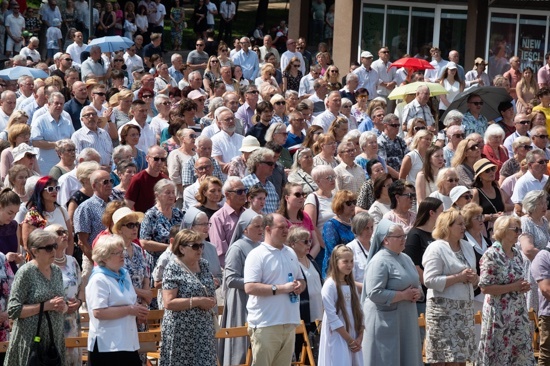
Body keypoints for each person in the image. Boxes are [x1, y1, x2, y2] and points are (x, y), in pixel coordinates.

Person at [243, 213, 306, 366]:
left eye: (287, 227)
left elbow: (301, 280)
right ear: (268, 229)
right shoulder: (257, 255)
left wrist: (299, 286)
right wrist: (282, 288)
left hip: (289, 322)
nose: (286, 230)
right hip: (266, 324)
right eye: (281, 227)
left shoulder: (290, 252)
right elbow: (249, 287)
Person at [362, 218, 423, 365]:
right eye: (399, 237)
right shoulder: (379, 261)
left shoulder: (406, 258)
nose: (403, 240)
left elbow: (417, 283)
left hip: (406, 320)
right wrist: (403, 295)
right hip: (386, 322)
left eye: (404, 236)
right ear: (385, 240)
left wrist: (418, 293)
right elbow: (374, 293)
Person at [422, 209, 478, 365]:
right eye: (459, 224)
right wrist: (458, 277)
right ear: (447, 226)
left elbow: (474, 277)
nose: (464, 227)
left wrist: (474, 278)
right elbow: (430, 280)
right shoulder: (436, 248)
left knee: (461, 359)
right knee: (445, 359)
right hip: (443, 312)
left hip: (464, 310)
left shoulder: (467, 246)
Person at [477, 216, 535, 365]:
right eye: (515, 229)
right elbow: (484, 287)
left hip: (517, 314)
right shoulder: (491, 254)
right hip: (499, 315)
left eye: (520, 230)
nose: (518, 233)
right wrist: (513, 287)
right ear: (502, 230)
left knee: (520, 356)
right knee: (499, 356)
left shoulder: (517, 254)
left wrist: (523, 286)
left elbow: (517, 280)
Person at [5, 229, 67, 365]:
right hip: (30, 343)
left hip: (53, 341)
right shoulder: (25, 272)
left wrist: (64, 306)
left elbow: (62, 301)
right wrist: (45, 306)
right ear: (35, 251)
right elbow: (13, 310)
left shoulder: (56, 271)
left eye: (54, 246)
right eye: (48, 248)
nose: (53, 251)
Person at [86, 234, 148, 365]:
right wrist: (130, 310)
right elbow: (99, 312)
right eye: (117, 253)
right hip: (108, 346)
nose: (122, 256)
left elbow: (130, 300)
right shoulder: (99, 279)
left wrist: (138, 312)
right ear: (105, 256)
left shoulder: (124, 274)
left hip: (127, 342)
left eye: (123, 251)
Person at [159, 228, 217, 365]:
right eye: (194, 246)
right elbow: (168, 302)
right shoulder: (173, 267)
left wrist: (211, 299)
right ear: (182, 248)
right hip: (181, 331)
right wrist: (198, 301)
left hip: (203, 329)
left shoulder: (204, 264)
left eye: (201, 245)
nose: (199, 249)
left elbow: (208, 289)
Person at [219, 209, 263, 365]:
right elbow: (231, 279)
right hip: (241, 300)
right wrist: (257, 285)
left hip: (259, 301)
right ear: (245, 228)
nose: (261, 229)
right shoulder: (237, 248)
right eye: (256, 226)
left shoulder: (262, 246)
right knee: (241, 344)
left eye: (262, 226)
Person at [318, 244, 364, 366]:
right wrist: (349, 340)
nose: (349, 265)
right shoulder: (330, 285)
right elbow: (332, 316)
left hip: (353, 332)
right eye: (345, 261)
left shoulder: (351, 284)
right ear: (335, 262)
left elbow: (359, 309)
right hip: (339, 335)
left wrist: (360, 336)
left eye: (351, 261)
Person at [44, 224, 83, 365]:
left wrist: (79, 302)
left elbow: (81, 287)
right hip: (54, 319)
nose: (65, 235)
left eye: (65, 232)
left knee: (73, 359)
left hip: (72, 318)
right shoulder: (44, 264)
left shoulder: (72, 261)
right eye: (59, 233)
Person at [140, 179, 183, 294]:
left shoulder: (178, 213)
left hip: (178, 263)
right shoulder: (150, 215)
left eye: (173, 192)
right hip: (157, 263)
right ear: (157, 195)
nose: (171, 195)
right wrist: (169, 248)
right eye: (167, 192)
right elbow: (144, 242)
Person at [22, 176, 72, 252]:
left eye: (57, 188)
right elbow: (28, 246)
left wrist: (67, 259)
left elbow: (70, 239)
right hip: (44, 261)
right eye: (50, 189)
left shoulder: (62, 210)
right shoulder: (33, 215)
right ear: (41, 191)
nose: (55, 191)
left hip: (63, 259)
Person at [519, 190, 550, 314]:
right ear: (531, 205)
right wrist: (546, 257)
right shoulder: (525, 222)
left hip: (544, 267)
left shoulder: (544, 221)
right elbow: (528, 249)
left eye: (545, 202)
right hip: (532, 270)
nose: (545, 206)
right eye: (540, 203)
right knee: (533, 308)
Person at [322, 190, 356, 278]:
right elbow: (333, 251)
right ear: (340, 205)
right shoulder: (331, 225)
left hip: (351, 269)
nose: (353, 205)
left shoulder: (354, 223)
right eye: (349, 203)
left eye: (354, 202)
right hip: (335, 272)